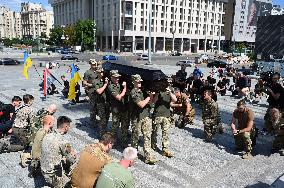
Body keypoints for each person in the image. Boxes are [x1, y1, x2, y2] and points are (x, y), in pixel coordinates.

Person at [41, 116, 77, 188]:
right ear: (66, 127)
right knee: (71, 184)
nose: (69, 128)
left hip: (43, 169)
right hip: (52, 175)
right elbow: (72, 159)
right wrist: (73, 154)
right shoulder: (63, 142)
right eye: (69, 127)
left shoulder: (47, 135)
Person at [130, 74, 157, 164]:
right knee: (135, 137)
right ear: (133, 82)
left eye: (140, 81)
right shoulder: (133, 92)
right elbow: (141, 104)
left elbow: (152, 103)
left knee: (147, 136)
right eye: (137, 82)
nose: (139, 83)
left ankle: (148, 156)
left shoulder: (143, 91)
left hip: (146, 116)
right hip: (137, 118)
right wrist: (149, 96)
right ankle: (133, 154)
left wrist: (152, 95)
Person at [151, 81, 177, 158]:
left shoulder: (171, 89)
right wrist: (157, 94)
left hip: (167, 115)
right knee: (155, 132)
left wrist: (171, 93)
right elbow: (154, 101)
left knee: (165, 133)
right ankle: (153, 145)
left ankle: (165, 149)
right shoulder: (158, 89)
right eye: (167, 82)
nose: (168, 84)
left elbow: (175, 100)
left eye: (170, 83)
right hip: (158, 115)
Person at [12, 94, 35, 167]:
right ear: (29, 101)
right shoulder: (30, 109)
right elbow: (32, 122)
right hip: (21, 130)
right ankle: (7, 146)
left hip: (14, 128)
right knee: (24, 146)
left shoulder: (19, 107)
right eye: (32, 101)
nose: (32, 102)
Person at [108, 70, 129, 147]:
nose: (117, 79)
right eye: (115, 78)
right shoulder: (111, 86)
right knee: (115, 127)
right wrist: (125, 88)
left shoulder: (119, 84)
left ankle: (124, 142)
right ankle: (113, 142)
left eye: (118, 78)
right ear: (111, 77)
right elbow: (119, 97)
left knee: (124, 126)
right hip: (116, 110)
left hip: (124, 108)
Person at [93, 67, 110, 137]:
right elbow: (99, 91)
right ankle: (102, 135)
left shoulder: (105, 80)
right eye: (100, 72)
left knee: (107, 117)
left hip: (107, 102)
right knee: (102, 119)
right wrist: (105, 84)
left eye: (102, 72)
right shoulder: (95, 81)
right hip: (100, 103)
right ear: (97, 73)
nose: (101, 73)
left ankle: (104, 131)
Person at [83, 59, 100, 126]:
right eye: (93, 64)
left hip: (99, 92)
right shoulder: (87, 72)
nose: (94, 65)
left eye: (95, 64)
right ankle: (92, 121)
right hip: (92, 92)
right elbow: (84, 83)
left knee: (98, 106)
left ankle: (96, 118)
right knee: (92, 107)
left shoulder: (98, 71)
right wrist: (92, 85)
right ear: (90, 64)